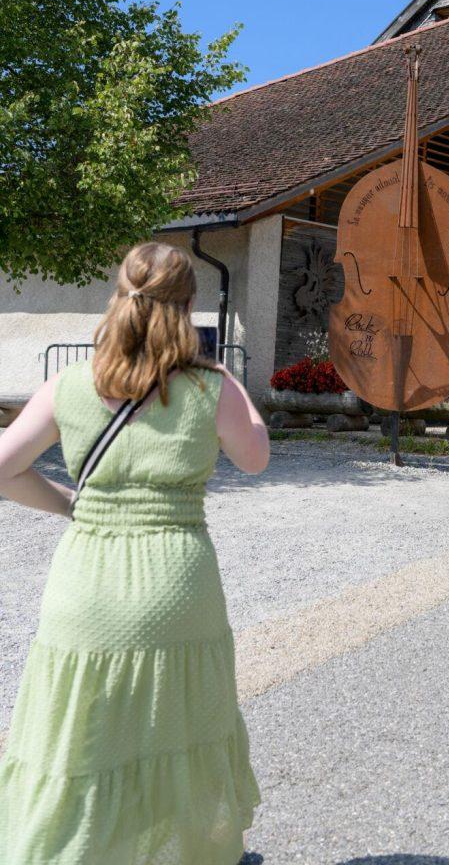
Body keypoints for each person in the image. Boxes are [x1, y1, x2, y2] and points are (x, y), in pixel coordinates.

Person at [0, 241, 269, 865]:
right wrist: (237, 386)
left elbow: (2, 470)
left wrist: (73, 504)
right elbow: (254, 458)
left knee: (80, 738)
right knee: (175, 727)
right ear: (188, 307)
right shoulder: (210, 388)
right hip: (178, 584)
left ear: (118, 297)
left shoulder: (70, 383)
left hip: (86, 583)